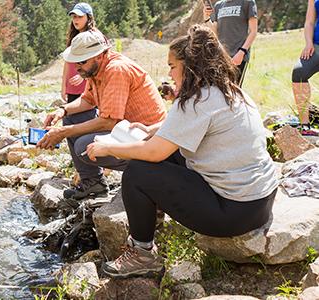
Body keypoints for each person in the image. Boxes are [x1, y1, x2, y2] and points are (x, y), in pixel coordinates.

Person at [85, 25, 278, 279]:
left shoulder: (195, 100)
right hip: (261, 202)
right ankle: (152, 217)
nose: (169, 73)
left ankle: (142, 254)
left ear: (190, 66)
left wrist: (108, 147)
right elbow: (199, 125)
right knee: (171, 153)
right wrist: (156, 128)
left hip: (234, 213)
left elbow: (153, 153)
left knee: (137, 173)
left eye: (173, 66)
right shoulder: (230, 91)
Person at [37, 30, 167, 200]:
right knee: (70, 118)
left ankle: (144, 172)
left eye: (82, 61)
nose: (77, 67)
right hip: (125, 131)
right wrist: (63, 110)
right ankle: (93, 184)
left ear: (99, 55)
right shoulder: (94, 70)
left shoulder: (116, 70)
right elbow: (88, 101)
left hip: (148, 138)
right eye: (75, 62)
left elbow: (109, 122)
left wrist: (63, 132)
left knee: (84, 146)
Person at [203, 0, 258, 86]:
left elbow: (253, 32)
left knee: (235, 91)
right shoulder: (219, 5)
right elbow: (215, 32)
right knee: (221, 91)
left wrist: (241, 52)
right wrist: (206, 18)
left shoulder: (248, 2)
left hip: (238, 57)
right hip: (221, 57)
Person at [291, 0, 319, 136]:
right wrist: (309, 43)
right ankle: (305, 126)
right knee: (299, 72)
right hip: (316, 45)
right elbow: (309, 22)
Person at [61, 2, 96, 104]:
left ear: (89, 18)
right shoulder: (73, 38)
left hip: (88, 88)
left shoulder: (93, 37)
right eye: (74, 17)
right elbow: (67, 62)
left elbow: (97, 63)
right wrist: (64, 86)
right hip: (72, 88)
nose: (76, 20)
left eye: (80, 17)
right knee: (71, 119)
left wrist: (83, 76)